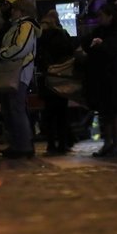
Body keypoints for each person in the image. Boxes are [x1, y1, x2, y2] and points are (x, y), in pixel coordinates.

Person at [0, 0, 40, 160]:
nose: (11, 12)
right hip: (16, 71)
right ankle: (18, 144)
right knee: (11, 109)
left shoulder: (26, 26)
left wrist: (4, 54)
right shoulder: (18, 26)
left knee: (16, 109)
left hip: (19, 72)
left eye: (14, 9)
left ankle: (23, 146)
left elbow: (21, 47)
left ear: (21, 11)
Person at [83, 3, 117, 157]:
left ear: (110, 16)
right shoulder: (101, 31)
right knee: (105, 112)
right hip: (104, 78)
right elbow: (87, 43)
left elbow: (114, 49)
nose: (98, 19)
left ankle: (115, 144)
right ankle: (108, 143)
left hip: (115, 78)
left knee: (115, 112)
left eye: (101, 15)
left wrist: (100, 45)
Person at [36, 10, 77, 155]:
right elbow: (70, 53)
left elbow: (38, 57)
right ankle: (63, 143)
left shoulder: (41, 38)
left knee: (49, 114)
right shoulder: (62, 34)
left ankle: (51, 144)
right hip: (61, 78)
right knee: (61, 113)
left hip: (47, 78)